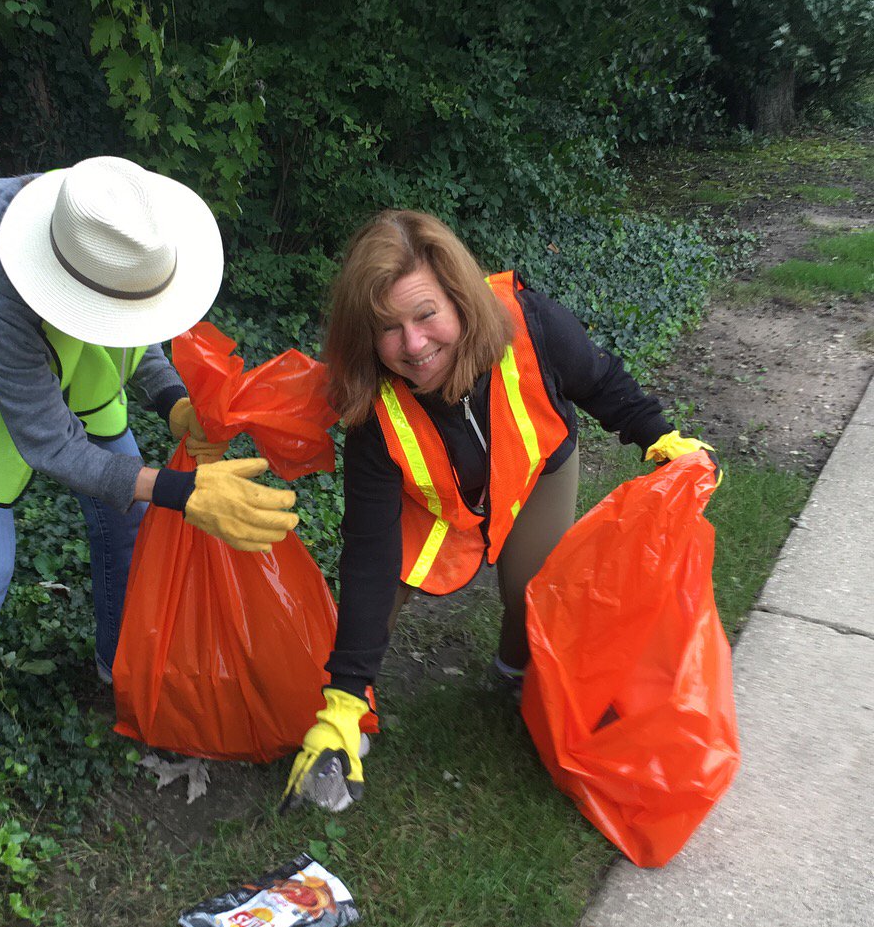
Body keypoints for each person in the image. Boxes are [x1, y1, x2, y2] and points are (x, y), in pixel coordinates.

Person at [0, 156, 300, 819]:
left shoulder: (113, 228)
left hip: (60, 364)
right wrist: (182, 491)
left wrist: (175, 401)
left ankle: (117, 661)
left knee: (125, 519)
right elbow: (50, 442)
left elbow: (132, 328)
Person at [282, 210, 716, 812]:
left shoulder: (531, 323)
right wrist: (345, 694)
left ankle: (514, 677)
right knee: (377, 598)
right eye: (388, 327)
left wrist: (661, 438)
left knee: (539, 597)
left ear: (458, 298)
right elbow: (367, 557)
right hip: (429, 501)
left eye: (426, 314)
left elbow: (599, 381)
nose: (413, 345)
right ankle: (349, 718)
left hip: (535, 471)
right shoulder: (373, 417)